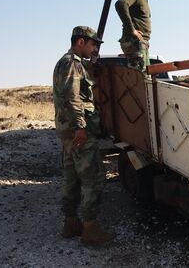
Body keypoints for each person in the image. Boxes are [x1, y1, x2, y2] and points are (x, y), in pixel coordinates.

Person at [53, 26, 114, 245]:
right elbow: (73, 97)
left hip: (67, 130)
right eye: (93, 44)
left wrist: (93, 59)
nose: (95, 47)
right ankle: (90, 229)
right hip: (79, 130)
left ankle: (70, 223)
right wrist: (80, 126)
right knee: (93, 177)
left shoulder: (68, 62)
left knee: (71, 176)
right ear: (80, 42)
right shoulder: (72, 64)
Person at [115, 0, 161, 72]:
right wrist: (132, 30)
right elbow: (121, 4)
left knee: (144, 78)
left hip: (141, 44)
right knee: (140, 79)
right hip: (135, 43)